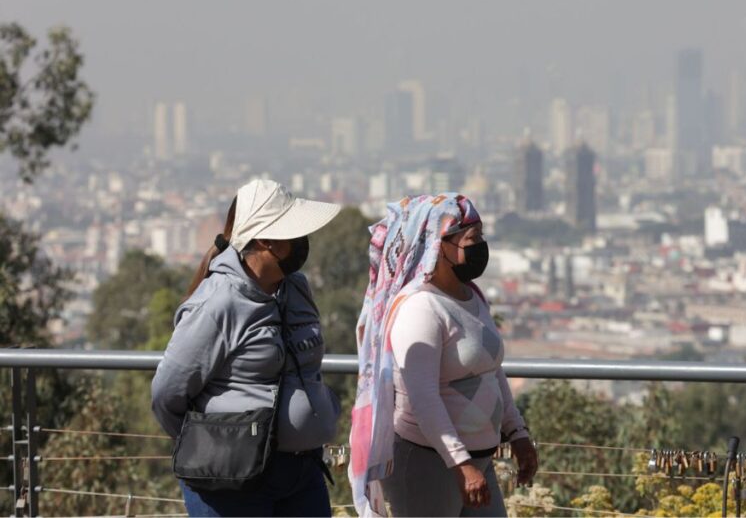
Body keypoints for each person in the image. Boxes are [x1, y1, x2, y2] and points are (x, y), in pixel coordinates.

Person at [152, 178, 343, 517]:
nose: (303, 242)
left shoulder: (296, 289)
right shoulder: (217, 303)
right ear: (265, 240)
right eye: (293, 233)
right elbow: (168, 394)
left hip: (302, 473)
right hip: (234, 483)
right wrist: (212, 442)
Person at [348, 194, 538, 517]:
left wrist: (517, 431)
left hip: (478, 461)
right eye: (472, 239)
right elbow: (424, 398)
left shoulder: (473, 297)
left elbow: (491, 371)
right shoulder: (420, 308)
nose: (481, 247)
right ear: (439, 243)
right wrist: (460, 463)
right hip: (429, 464)